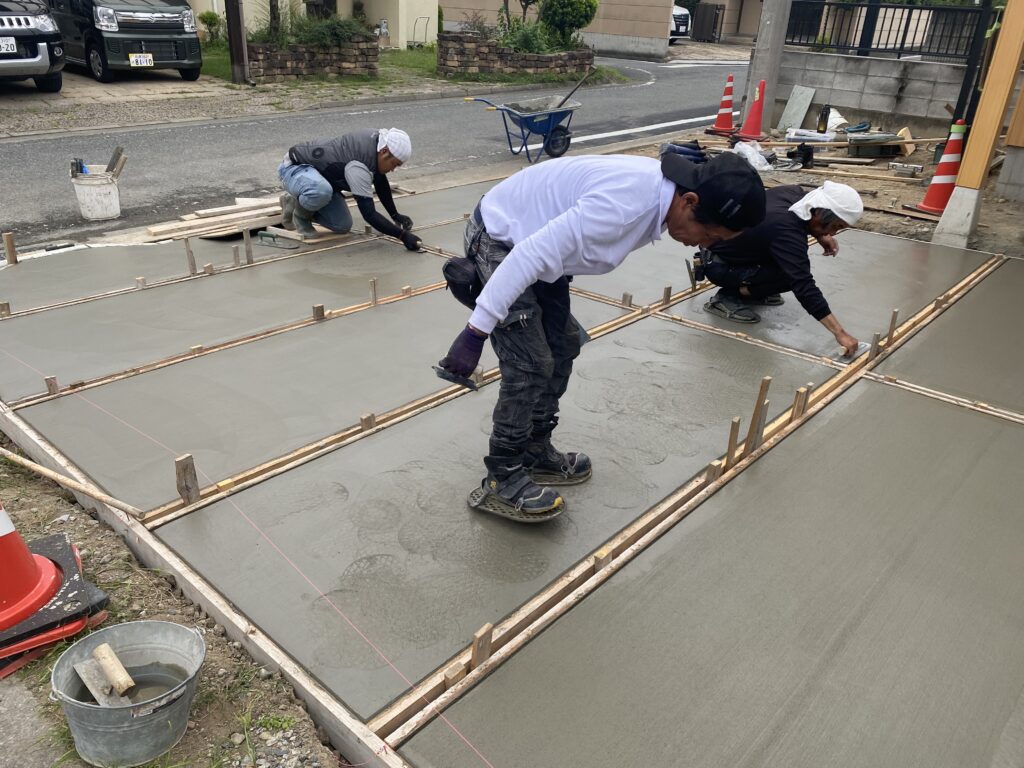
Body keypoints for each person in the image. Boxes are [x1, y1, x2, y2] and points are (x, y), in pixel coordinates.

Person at [435, 152, 767, 523]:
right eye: (710, 235)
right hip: (501, 238)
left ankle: (534, 449)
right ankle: (503, 474)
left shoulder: (660, 199)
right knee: (531, 363)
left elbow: (553, 246)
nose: (703, 245)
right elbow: (528, 255)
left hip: (538, 241)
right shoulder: (622, 207)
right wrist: (475, 332)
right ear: (689, 201)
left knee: (563, 344)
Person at [699, 181, 863, 356]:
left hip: (730, 249)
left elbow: (803, 222)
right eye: (835, 226)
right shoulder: (785, 229)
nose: (833, 233)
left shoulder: (795, 195)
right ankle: (730, 295)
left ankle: (751, 289)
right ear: (820, 213)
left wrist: (821, 234)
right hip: (720, 265)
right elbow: (803, 284)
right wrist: (840, 333)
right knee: (789, 276)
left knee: (789, 267)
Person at [278, 127, 422, 250]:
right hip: (294, 168)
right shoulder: (358, 167)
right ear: (384, 151)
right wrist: (402, 236)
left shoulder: (378, 145)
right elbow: (369, 214)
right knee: (321, 191)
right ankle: (301, 216)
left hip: (323, 178)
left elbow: (380, 180)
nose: (393, 169)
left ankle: (300, 200)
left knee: (342, 226)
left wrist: (395, 215)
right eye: (395, 164)